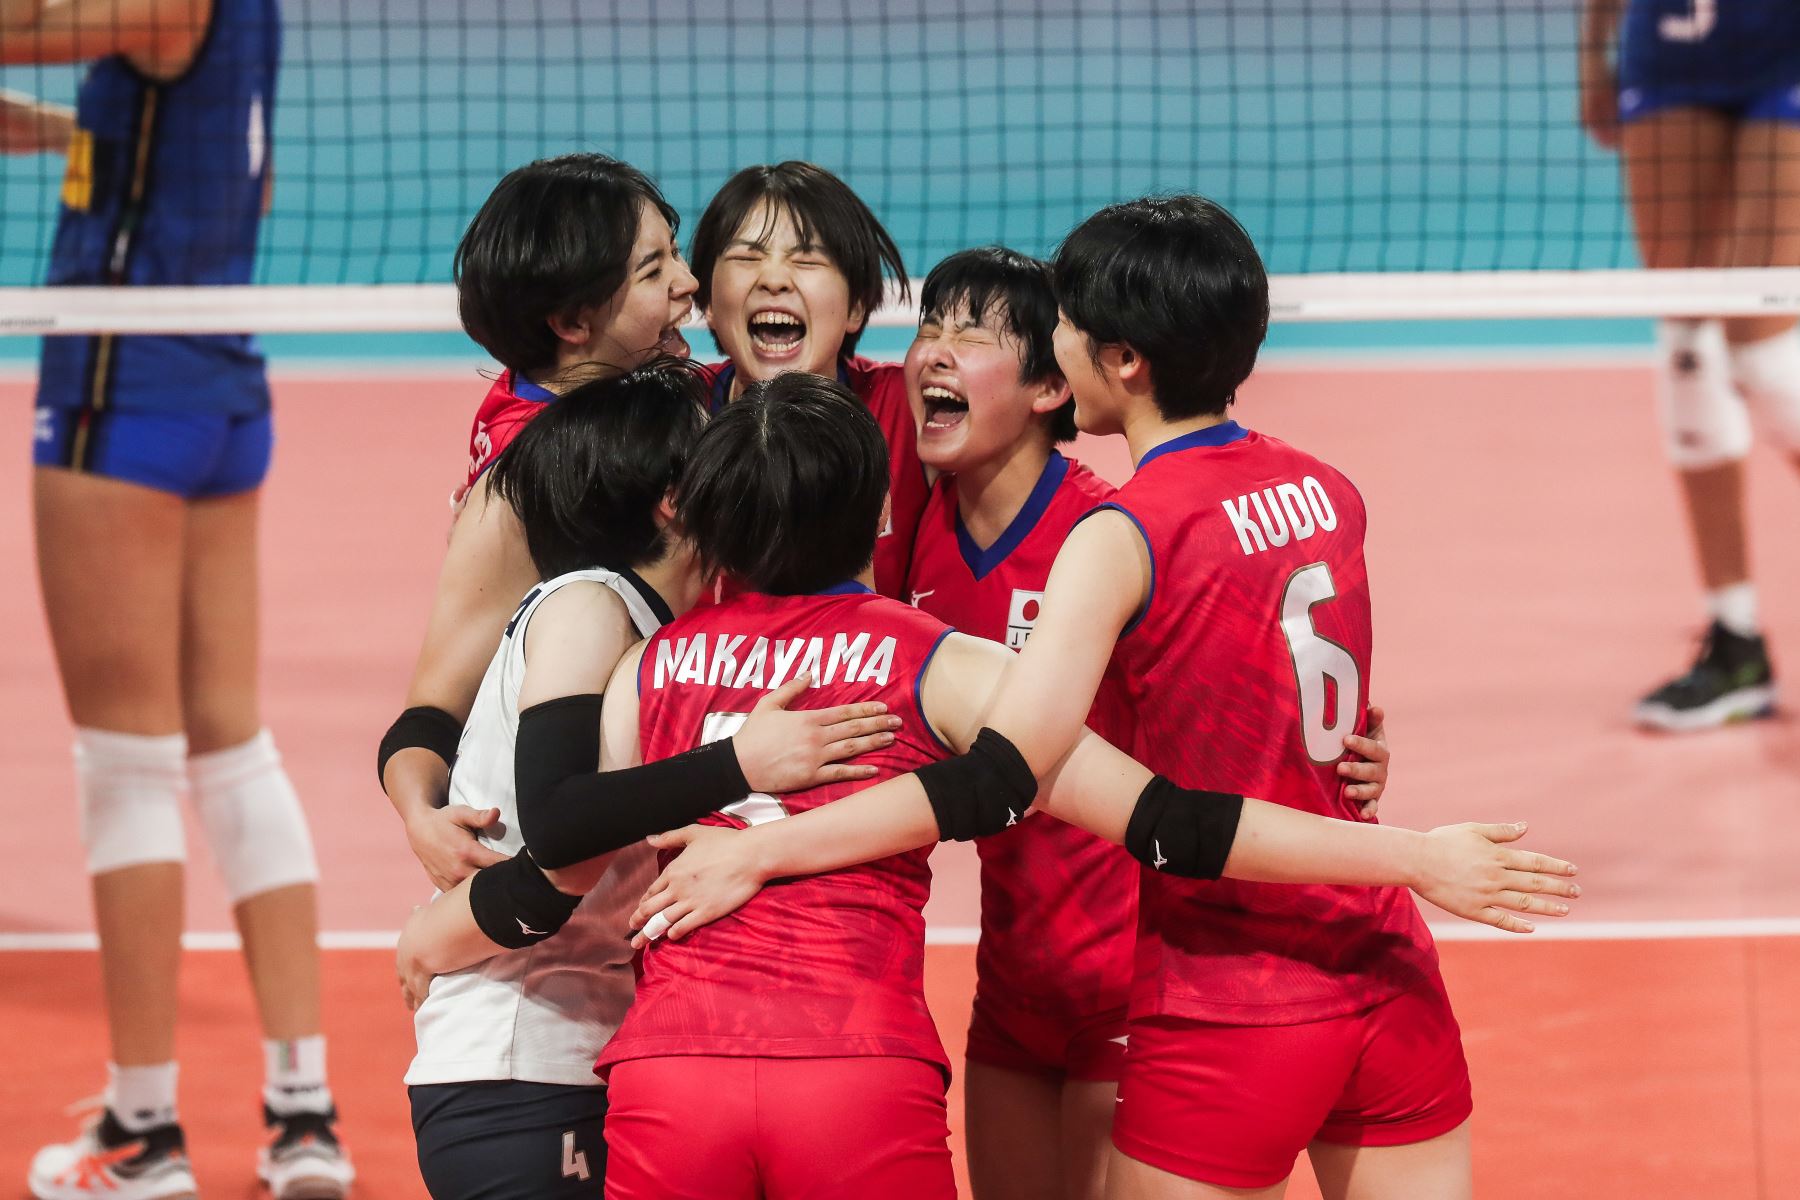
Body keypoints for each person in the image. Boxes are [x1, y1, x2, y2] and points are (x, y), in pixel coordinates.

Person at [629, 198, 1583, 1200]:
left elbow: (1009, 780)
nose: (1057, 339)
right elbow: (1274, 700)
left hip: (1210, 980)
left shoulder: (1117, 535)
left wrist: (759, 837)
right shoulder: (1327, 491)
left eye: (1067, 328)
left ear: (1116, 362)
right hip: (1345, 963)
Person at [901, 246, 1390, 1200]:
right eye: (929, 327)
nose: (935, 354)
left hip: (1129, 974)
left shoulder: (1108, 532)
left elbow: (1242, 684)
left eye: (972, 334)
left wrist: (1340, 756)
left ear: (1054, 383)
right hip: (1011, 980)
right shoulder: (918, 520)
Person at [395, 359, 900, 1199]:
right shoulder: (586, 606)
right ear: (674, 496)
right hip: (519, 1063)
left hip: (594, 1052)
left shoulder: (666, 627)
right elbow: (560, 831)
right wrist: (742, 764)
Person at [3, 1, 351, 1196]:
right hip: (217, 383)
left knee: (125, 762)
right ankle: (304, 1114)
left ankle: (144, 1133)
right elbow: (179, 141)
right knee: (229, 747)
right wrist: (64, 135)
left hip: (120, 392)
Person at [378, 153, 699, 896]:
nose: (689, 283)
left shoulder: (613, 405)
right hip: (559, 879)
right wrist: (422, 816)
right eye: (654, 271)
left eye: (675, 252)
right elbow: (429, 710)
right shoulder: (525, 480)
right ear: (571, 323)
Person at [1580, 0, 1800, 730]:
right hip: (1673, 44)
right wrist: (1593, 52)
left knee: (1760, 344)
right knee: (1686, 340)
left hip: (1785, 39)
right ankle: (1735, 642)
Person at [687, 160, 928, 597]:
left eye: (806, 259)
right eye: (746, 257)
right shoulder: (669, 419)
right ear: (705, 299)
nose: (774, 279)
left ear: (857, 306)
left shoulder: (911, 411)